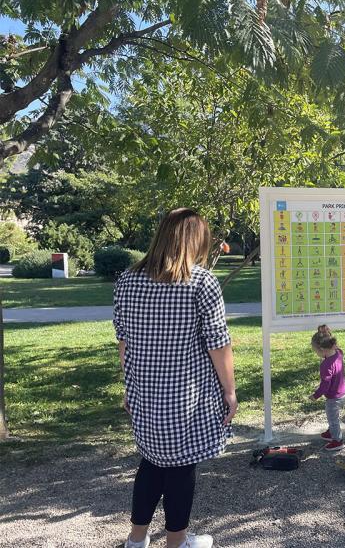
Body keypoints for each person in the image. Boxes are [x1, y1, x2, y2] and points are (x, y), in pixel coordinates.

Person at [115, 208, 237, 548]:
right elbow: (219, 343)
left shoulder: (126, 281)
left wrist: (130, 386)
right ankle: (177, 542)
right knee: (182, 468)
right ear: (195, 240)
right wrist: (230, 391)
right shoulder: (201, 282)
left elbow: (123, 340)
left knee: (152, 462)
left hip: (145, 391)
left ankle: (137, 539)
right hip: (187, 395)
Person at [309, 325, 345, 451]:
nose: (316, 354)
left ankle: (337, 440)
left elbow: (325, 385)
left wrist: (316, 395)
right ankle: (331, 432)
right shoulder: (338, 353)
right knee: (333, 417)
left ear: (322, 349)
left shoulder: (325, 365)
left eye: (315, 351)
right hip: (342, 392)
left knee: (333, 419)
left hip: (334, 397)